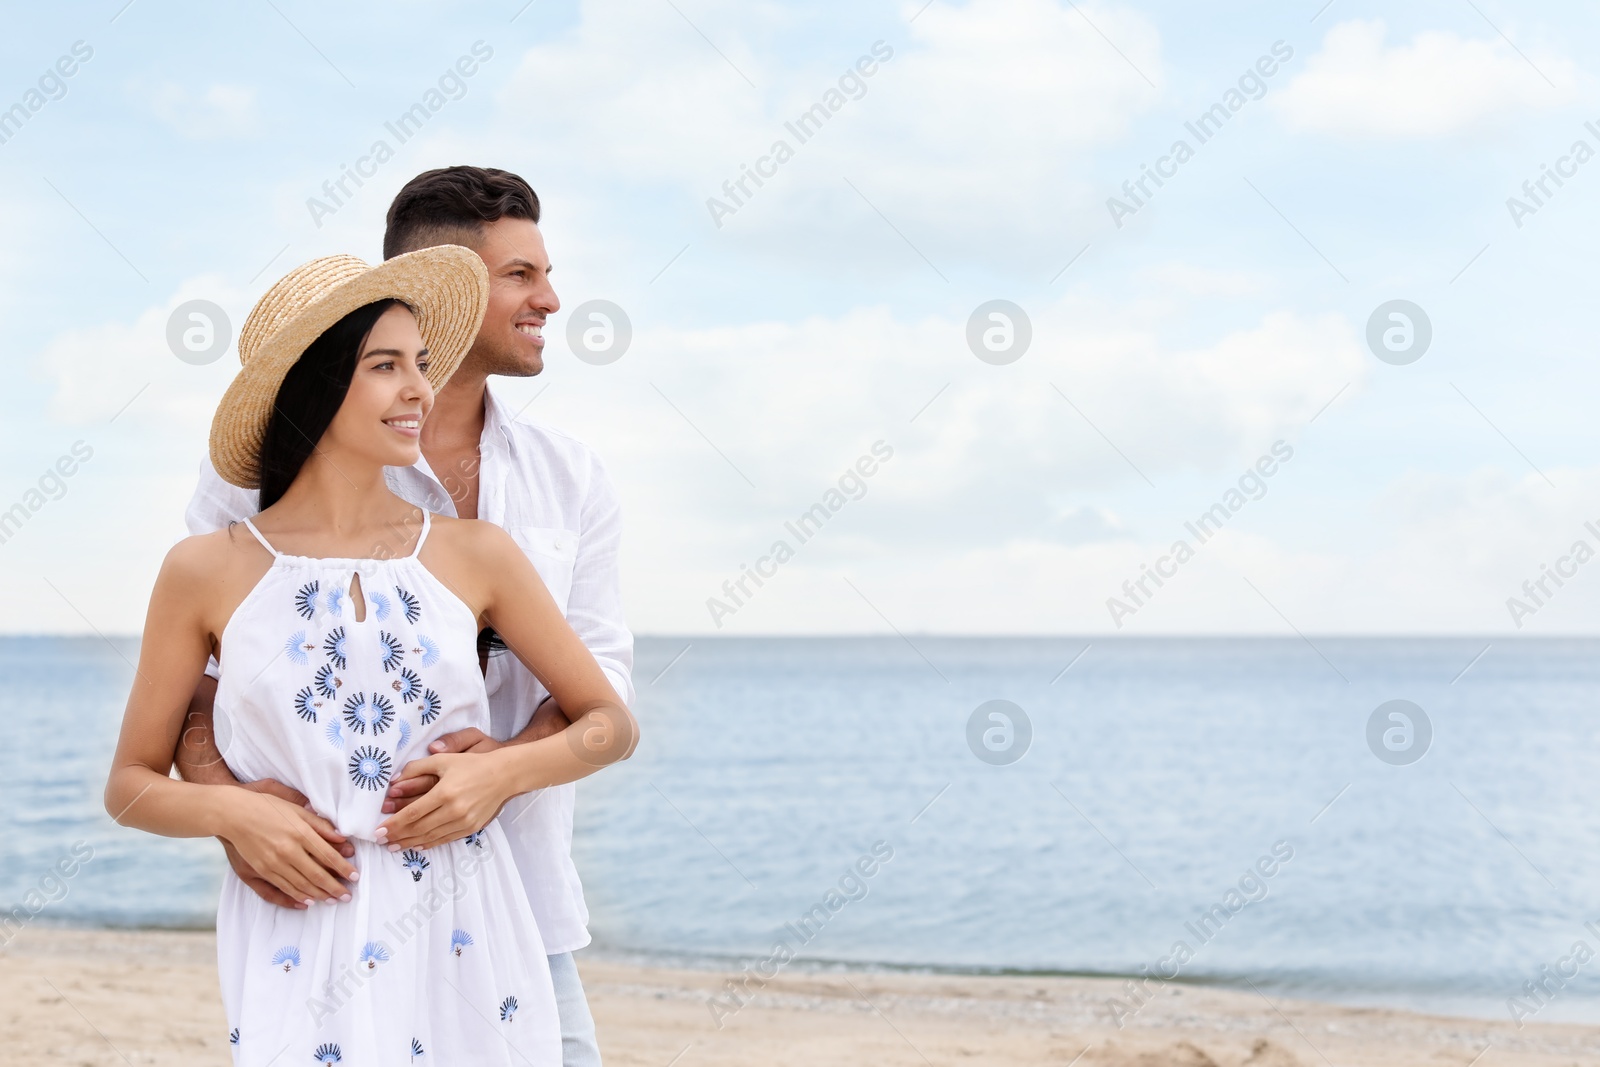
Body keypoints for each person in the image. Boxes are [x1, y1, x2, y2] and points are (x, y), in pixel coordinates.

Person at [105, 245, 638, 1065]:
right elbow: (131, 784)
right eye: (385, 366)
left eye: (420, 364)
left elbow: (610, 724)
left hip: (469, 928)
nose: (420, 389)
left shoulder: (477, 554)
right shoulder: (204, 569)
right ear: (312, 389)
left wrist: (499, 772)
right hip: (296, 927)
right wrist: (234, 811)